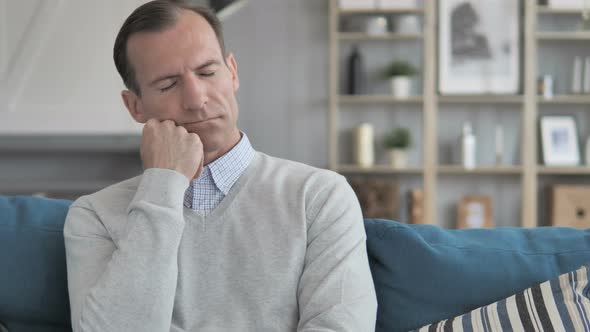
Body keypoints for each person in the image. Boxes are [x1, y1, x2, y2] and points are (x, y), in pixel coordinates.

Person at [63, 1, 377, 331]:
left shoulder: (319, 197)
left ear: (233, 73)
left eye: (207, 72)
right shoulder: (94, 215)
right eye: (168, 84)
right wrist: (163, 185)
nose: (196, 99)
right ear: (135, 105)